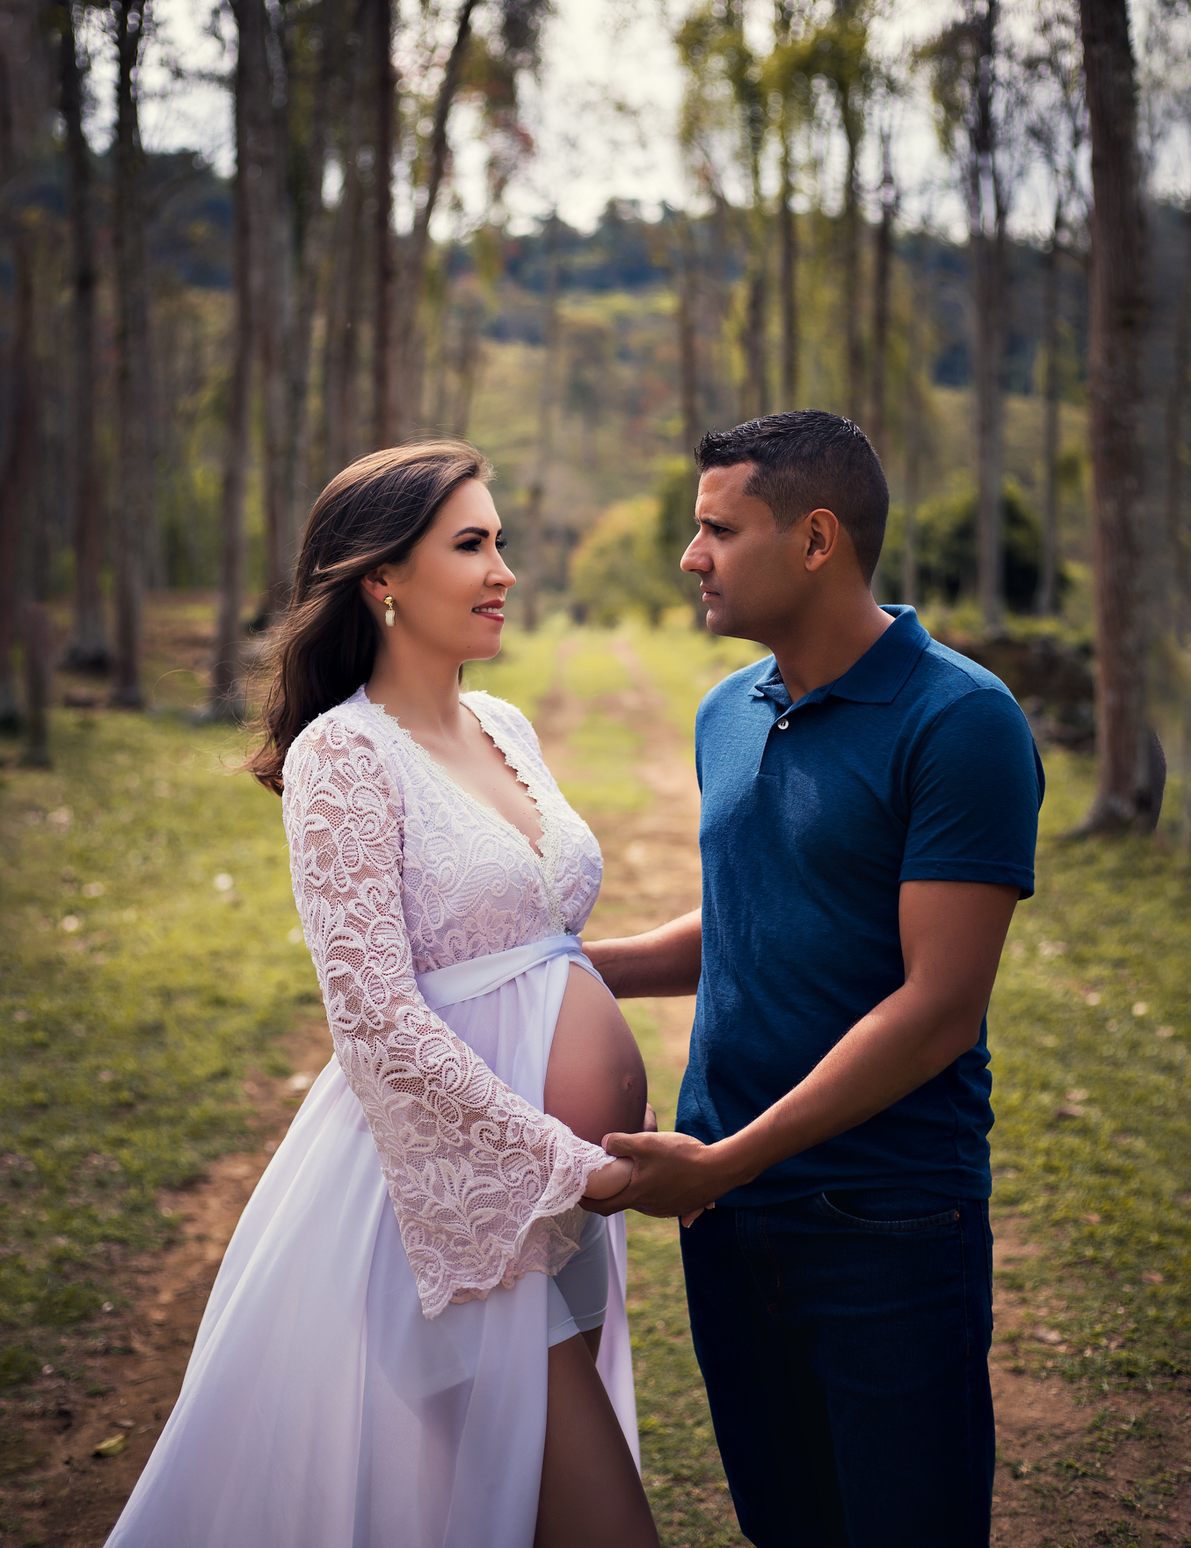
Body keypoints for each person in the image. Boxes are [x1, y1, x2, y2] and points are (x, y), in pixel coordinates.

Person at [105, 442, 657, 1548]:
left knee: (515, 1510)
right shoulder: (342, 755)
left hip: (558, 1206)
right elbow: (374, 1020)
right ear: (382, 578)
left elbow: (538, 944)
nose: (503, 570)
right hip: (454, 1196)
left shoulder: (507, 726)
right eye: (471, 545)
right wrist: (562, 1159)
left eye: (501, 542)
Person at [584, 411, 1045, 1548]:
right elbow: (751, 913)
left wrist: (722, 1164)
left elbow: (938, 1008)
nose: (690, 555)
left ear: (816, 539)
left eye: (716, 529)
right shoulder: (724, 711)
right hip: (731, 1218)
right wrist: (552, 969)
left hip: (884, 1217)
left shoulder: (962, 721)